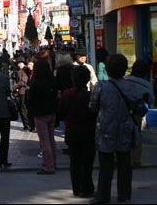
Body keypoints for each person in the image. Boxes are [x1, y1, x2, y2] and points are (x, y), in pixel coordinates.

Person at [89, 54, 146, 204]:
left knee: (106, 165)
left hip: (106, 129)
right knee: (125, 163)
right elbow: (140, 107)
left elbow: (93, 107)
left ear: (107, 70)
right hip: (125, 129)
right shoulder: (132, 87)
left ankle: (103, 196)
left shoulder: (101, 86)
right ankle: (124, 195)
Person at [59, 65, 97, 198]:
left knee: (75, 160)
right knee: (87, 161)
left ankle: (76, 187)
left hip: (72, 131)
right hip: (87, 132)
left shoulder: (66, 94)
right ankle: (86, 187)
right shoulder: (89, 96)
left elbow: (62, 113)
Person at [28, 59, 57, 175]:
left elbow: (31, 98)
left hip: (40, 114)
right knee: (51, 139)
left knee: (44, 142)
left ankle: (48, 166)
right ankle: (53, 163)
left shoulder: (35, 81)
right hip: (52, 112)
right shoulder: (52, 80)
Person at [125, 59, 155, 168]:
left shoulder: (125, 80)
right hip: (137, 114)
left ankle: (120, 157)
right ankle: (136, 160)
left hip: (122, 112)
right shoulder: (146, 85)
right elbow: (151, 100)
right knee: (136, 135)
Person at [13, 56, 31, 131]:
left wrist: (15, 86)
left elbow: (23, 81)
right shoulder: (22, 70)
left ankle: (27, 125)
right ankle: (26, 125)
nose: (18, 65)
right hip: (21, 92)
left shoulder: (24, 70)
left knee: (23, 109)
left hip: (23, 91)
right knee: (22, 108)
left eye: (19, 63)